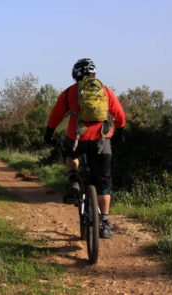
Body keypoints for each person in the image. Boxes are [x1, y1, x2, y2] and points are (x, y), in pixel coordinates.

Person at [43, 58, 125, 239]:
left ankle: (73, 179)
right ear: (94, 74)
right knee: (104, 183)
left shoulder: (69, 93)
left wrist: (48, 135)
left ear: (75, 75)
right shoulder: (105, 91)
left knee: (68, 150)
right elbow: (120, 115)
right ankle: (104, 222)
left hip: (77, 139)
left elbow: (55, 117)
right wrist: (118, 133)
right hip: (101, 140)